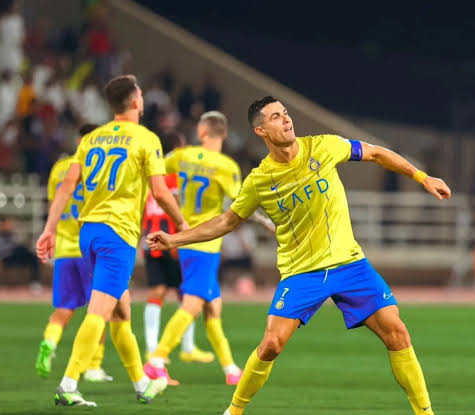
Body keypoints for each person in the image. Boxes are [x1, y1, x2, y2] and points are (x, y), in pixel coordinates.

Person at [147, 96, 452, 415]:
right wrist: (173, 239)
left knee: (397, 333)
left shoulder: (324, 146)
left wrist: (422, 177)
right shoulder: (259, 180)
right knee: (271, 345)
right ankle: (233, 411)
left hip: (349, 264)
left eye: (285, 113)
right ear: (261, 131)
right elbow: (227, 221)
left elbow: (375, 152)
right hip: (302, 272)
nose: (286, 119)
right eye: (275, 117)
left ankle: (425, 413)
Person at [35, 74, 186, 407]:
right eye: (140, 93)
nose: (142, 97)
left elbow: (67, 186)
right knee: (99, 312)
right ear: (134, 101)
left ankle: (142, 384)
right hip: (117, 235)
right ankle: (68, 384)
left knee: (120, 314)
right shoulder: (146, 138)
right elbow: (160, 191)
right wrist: (182, 224)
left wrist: (49, 228)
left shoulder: (92, 138)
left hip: (88, 233)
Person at [144, 111, 248, 386]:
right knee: (192, 305)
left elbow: (155, 169)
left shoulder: (183, 156)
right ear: (224, 134)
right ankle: (157, 360)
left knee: (213, 307)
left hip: (187, 238)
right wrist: (269, 221)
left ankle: (230, 369)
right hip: (206, 243)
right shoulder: (226, 166)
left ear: (202, 132)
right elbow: (242, 202)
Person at [35, 123, 114, 383]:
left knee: (64, 308)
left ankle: (49, 342)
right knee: (100, 310)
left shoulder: (59, 168)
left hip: (64, 249)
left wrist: (51, 231)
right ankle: (93, 365)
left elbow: (54, 203)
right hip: (91, 247)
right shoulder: (99, 165)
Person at [142, 131, 214, 365]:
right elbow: (181, 205)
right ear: (177, 148)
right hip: (173, 240)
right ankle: (183, 347)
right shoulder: (177, 176)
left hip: (151, 238)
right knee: (187, 294)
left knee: (159, 292)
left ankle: (155, 348)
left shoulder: (150, 175)